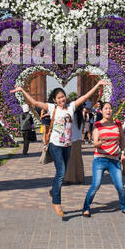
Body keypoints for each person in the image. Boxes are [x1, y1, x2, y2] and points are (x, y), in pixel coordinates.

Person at [11, 79, 109, 217]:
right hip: (55, 145)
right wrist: (22, 91)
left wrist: (97, 85)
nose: (62, 99)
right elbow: (34, 103)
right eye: (59, 98)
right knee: (61, 172)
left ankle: (52, 191)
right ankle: (56, 201)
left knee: (61, 172)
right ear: (54, 100)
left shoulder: (71, 107)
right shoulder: (52, 108)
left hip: (67, 146)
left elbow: (85, 97)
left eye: (63, 96)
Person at [82, 101, 125, 217]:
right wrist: (101, 142)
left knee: (120, 185)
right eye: (106, 108)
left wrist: (123, 153)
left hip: (114, 160)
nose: (108, 110)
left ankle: (124, 206)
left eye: (110, 108)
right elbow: (95, 143)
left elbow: (122, 140)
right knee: (96, 185)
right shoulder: (97, 125)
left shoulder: (117, 123)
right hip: (100, 159)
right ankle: (86, 207)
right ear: (102, 111)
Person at [63, 105, 85, 184]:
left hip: (72, 139)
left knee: (70, 160)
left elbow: (68, 127)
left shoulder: (71, 116)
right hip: (78, 139)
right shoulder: (80, 116)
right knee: (78, 159)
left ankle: (69, 178)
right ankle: (80, 177)